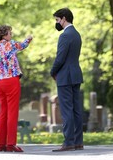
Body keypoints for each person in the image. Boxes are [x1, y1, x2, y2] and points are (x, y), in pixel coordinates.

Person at [0, 25, 33, 152]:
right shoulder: (11, 44)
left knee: (3, 112)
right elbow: (23, 45)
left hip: (0, 82)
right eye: (9, 33)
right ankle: (10, 144)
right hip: (11, 80)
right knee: (12, 112)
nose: (11, 35)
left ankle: (1, 144)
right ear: (4, 35)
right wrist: (29, 38)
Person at [50, 8, 84, 152]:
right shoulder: (76, 34)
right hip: (76, 75)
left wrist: (52, 71)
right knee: (76, 110)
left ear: (64, 19)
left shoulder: (65, 36)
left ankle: (68, 142)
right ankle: (78, 142)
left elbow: (60, 58)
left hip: (65, 76)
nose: (57, 23)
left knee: (66, 110)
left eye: (57, 20)